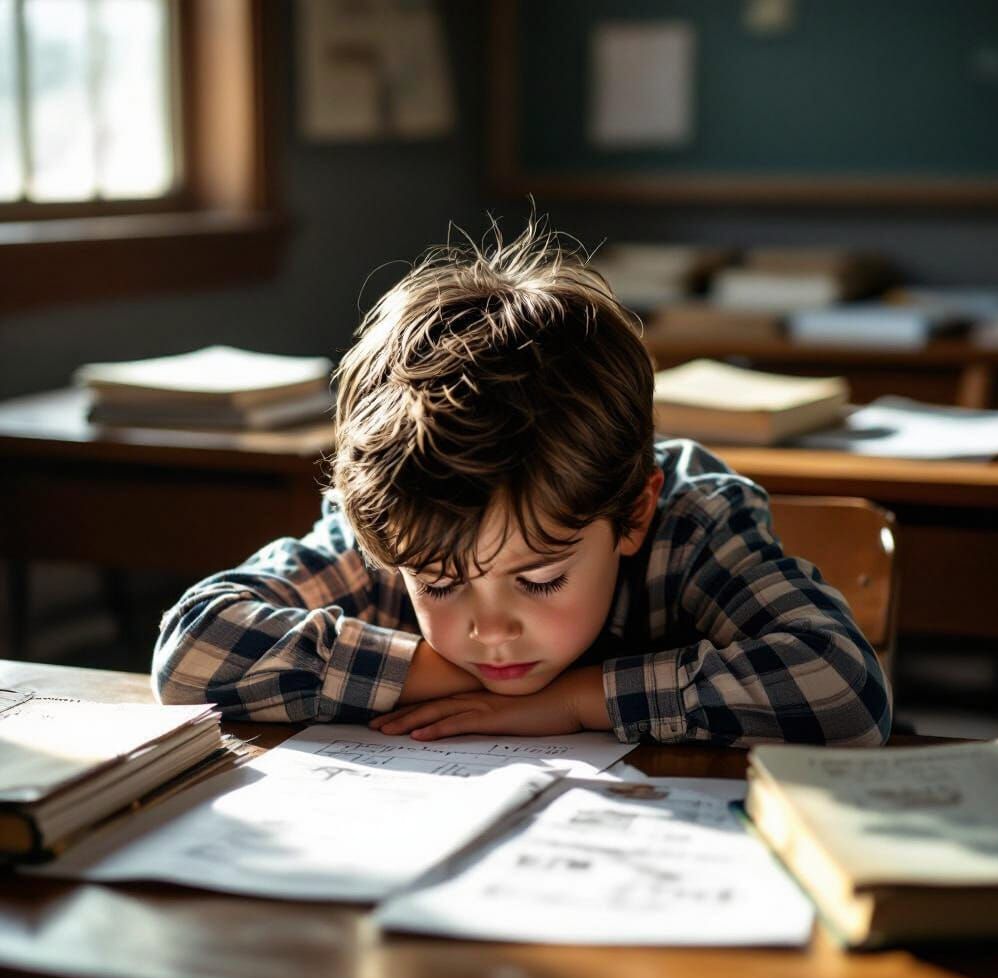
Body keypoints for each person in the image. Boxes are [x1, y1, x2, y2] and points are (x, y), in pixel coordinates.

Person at [153, 217, 892, 747]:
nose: (492, 630)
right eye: (439, 586)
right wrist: (427, 672)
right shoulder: (404, 512)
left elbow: (843, 689)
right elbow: (190, 651)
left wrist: (580, 701)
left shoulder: (689, 520)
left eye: (539, 580)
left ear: (633, 514)